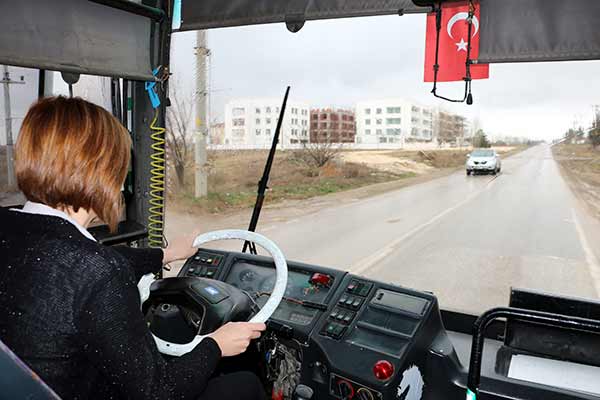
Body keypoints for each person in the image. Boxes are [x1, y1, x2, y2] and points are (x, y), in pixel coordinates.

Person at [0, 96, 267, 400]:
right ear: (102, 173)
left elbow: (82, 264)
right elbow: (158, 392)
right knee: (245, 384)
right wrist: (216, 345)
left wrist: (167, 254)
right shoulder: (97, 271)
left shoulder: (13, 227)